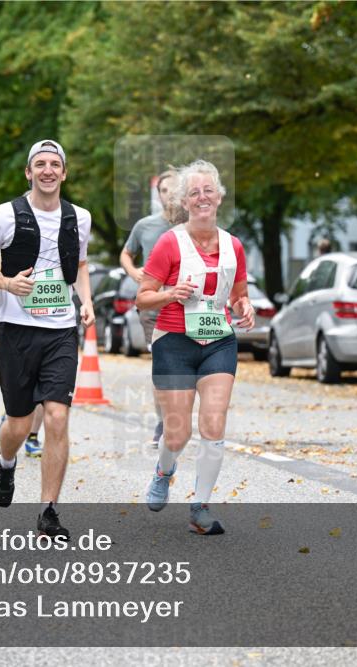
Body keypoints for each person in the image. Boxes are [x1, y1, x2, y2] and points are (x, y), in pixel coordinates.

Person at [0, 139, 94, 540]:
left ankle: (48, 511)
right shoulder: (4, 215)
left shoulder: (81, 217)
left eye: (54, 164)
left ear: (64, 172)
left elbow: (82, 264)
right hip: (17, 331)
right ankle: (6, 462)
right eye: (39, 164)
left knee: (57, 416)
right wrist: (7, 282)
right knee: (19, 424)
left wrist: (86, 302)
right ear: (28, 172)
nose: (47, 170)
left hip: (60, 329)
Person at [135, 159, 255, 536]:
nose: (202, 198)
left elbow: (238, 295)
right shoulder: (170, 243)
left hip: (218, 340)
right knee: (176, 434)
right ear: (185, 203)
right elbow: (143, 297)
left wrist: (244, 307)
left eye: (208, 191)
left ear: (219, 197)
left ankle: (200, 506)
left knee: (214, 423)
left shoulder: (234, 246)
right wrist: (171, 294)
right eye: (194, 193)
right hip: (174, 341)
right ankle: (163, 470)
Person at [120, 168, 179, 448]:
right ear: (159, 195)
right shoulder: (145, 226)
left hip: (186, 306)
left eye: (174, 189)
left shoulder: (195, 225)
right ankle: (163, 421)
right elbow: (126, 253)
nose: (169, 195)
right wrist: (134, 273)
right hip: (154, 308)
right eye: (164, 190)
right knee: (163, 366)